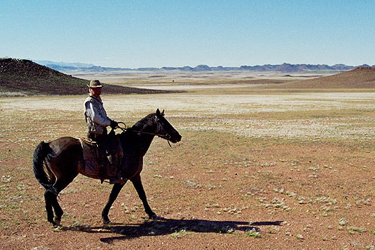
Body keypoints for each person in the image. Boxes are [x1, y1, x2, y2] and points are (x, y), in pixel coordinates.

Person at [84, 80, 121, 183]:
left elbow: (103, 116)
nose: (98, 90)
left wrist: (111, 121)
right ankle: (111, 174)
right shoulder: (90, 101)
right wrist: (108, 123)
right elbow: (96, 118)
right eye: (95, 88)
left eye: (99, 88)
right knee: (111, 149)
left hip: (101, 131)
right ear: (90, 89)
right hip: (96, 133)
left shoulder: (98, 100)